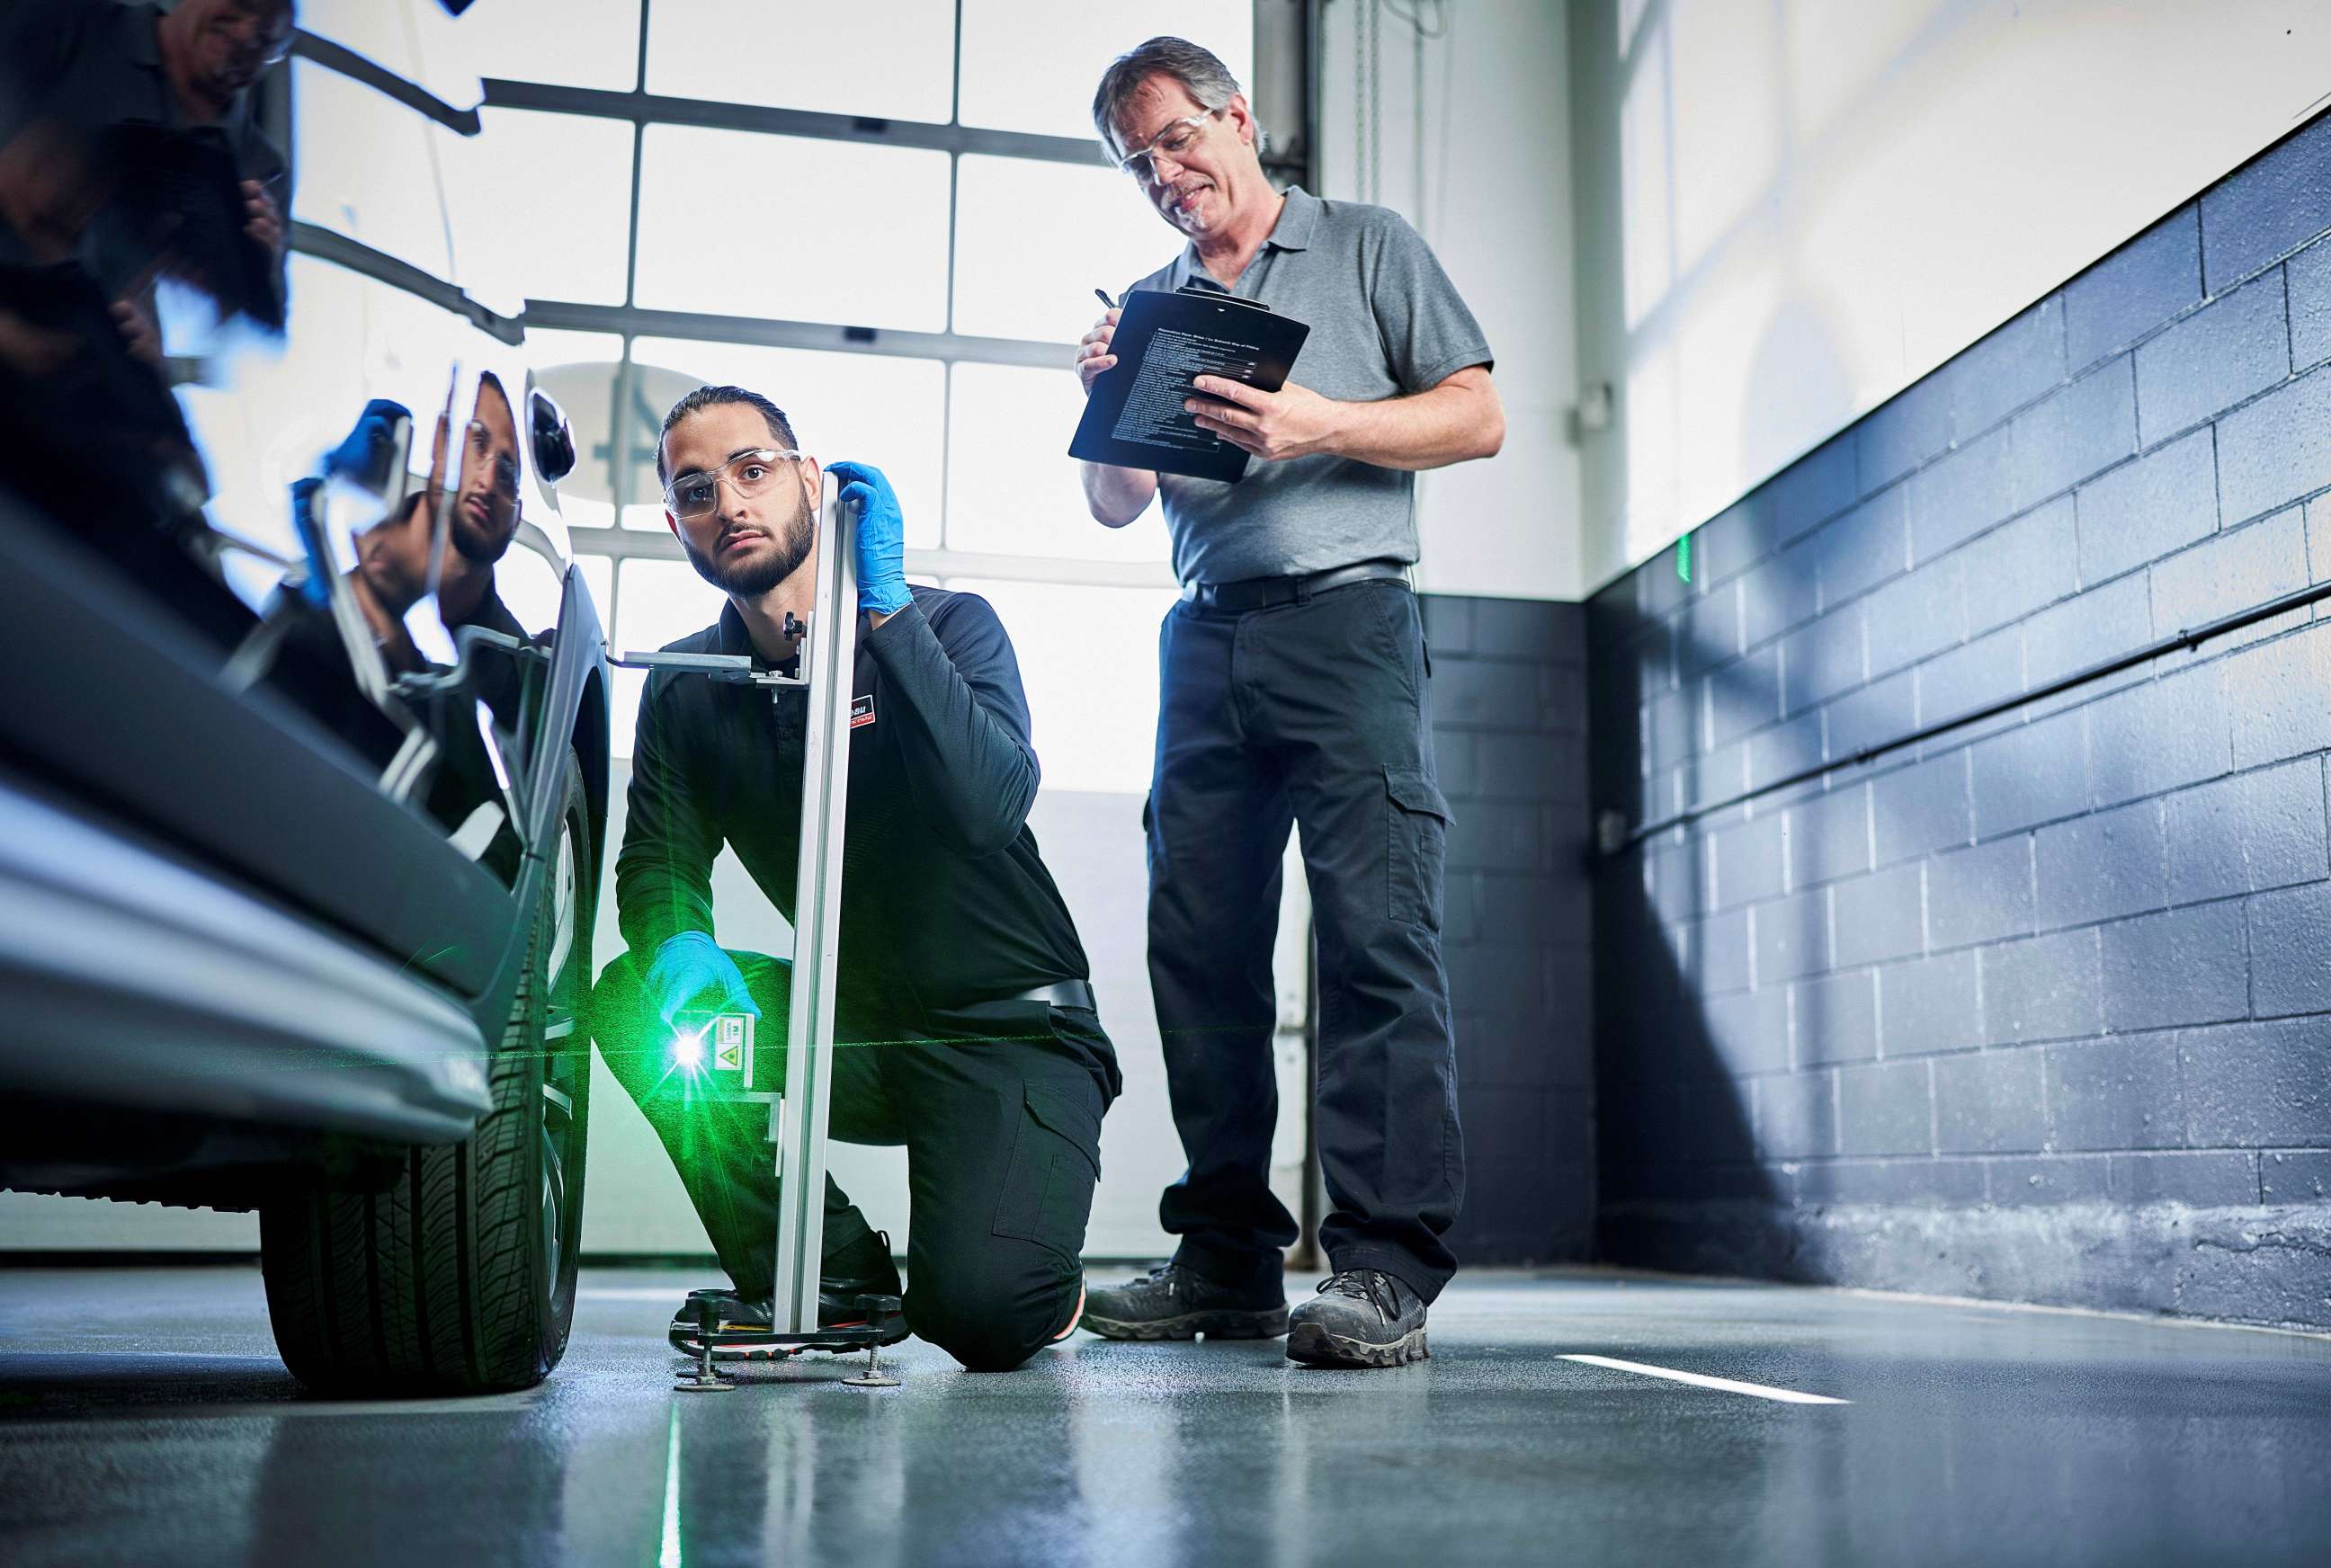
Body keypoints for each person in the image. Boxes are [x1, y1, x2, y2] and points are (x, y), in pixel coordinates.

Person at [1075, 37, 1503, 1368]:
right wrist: (1103, 402)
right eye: (1138, 162)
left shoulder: (1367, 246)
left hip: (1350, 622)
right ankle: (1226, 1262)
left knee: (1378, 936)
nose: (1163, 175)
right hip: (1204, 643)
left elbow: (1478, 417)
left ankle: (1383, 1271)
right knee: (1199, 949)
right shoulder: (1152, 301)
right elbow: (1115, 502)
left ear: (1236, 119)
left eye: (1175, 141)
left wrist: (1320, 422)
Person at [588, 385, 1120, 1372]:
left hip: (1010, 1029)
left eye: (752, 471)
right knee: (630, 998)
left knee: (981, 1316)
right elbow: (657, 861)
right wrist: (679, 944)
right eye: (697, 489)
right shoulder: (689, 686)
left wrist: (889, 613)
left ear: (807, 480)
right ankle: (834, 1272)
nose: (729, 504)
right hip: (855, 1029)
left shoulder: (950, 627)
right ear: (675, 524)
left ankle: (1025, 1263)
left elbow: (988, 806)